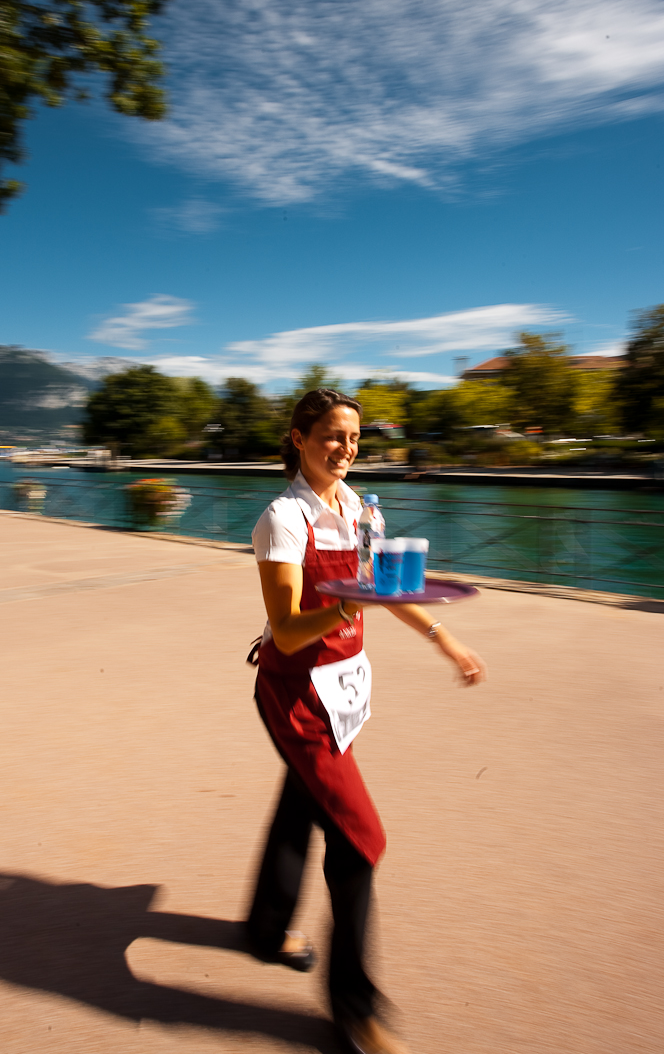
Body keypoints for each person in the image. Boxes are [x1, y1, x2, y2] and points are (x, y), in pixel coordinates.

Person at [245, 388, 486, 1054]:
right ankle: (356, 1010)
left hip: (343, 686)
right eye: (331, 435)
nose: (346, 448)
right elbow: (290, 633)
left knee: (303, 802)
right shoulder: (282, 519)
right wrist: (352, 607)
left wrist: (443, 637)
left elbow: (387, 585)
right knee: (359, 836)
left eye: (353, 437)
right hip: (295, 693)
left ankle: (265, 929)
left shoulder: (356, 506)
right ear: (298, 438)